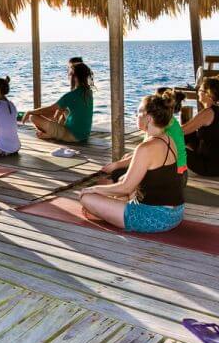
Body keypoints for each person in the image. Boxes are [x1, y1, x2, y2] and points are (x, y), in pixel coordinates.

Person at [80, 93, 184, 233]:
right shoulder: (168, 139)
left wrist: (93, 189)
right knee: (120, 189)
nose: (136, 116)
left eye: (138, 112)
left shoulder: (145, 148)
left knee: (87, 198)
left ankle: (106, 214)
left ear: (148, 118)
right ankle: (109, 212)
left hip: (157, 218)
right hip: (176, 213)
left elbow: (125, 188)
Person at [103, 88, 187, 185]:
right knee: (126, 159)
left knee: (117, 174)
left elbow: (145, 154)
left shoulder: (164, 129)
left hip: (175, 177)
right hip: (175, 173)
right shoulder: (162, 124)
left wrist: (116, 165)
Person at [22, 62, 94, 142]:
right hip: (84, 135)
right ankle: (52, 132)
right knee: (64, 110)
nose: (69, 76)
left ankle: (50, 135)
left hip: (72, 136)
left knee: (32, 116)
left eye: (70, 74)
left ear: (75, 77)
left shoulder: (71, 95)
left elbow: (51, 108)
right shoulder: (88, 92)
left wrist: (29, 112)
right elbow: (58, 109)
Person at [182, 76, 219, 176]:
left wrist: (161, 132)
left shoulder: (208, 112)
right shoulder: (215, 110)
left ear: (208, 93)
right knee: (185, 135)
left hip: (209, 166)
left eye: (200, 89)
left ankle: (175, 175)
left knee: (173, 146)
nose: (198, 91)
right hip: (213, 158)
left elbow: (182, 131)